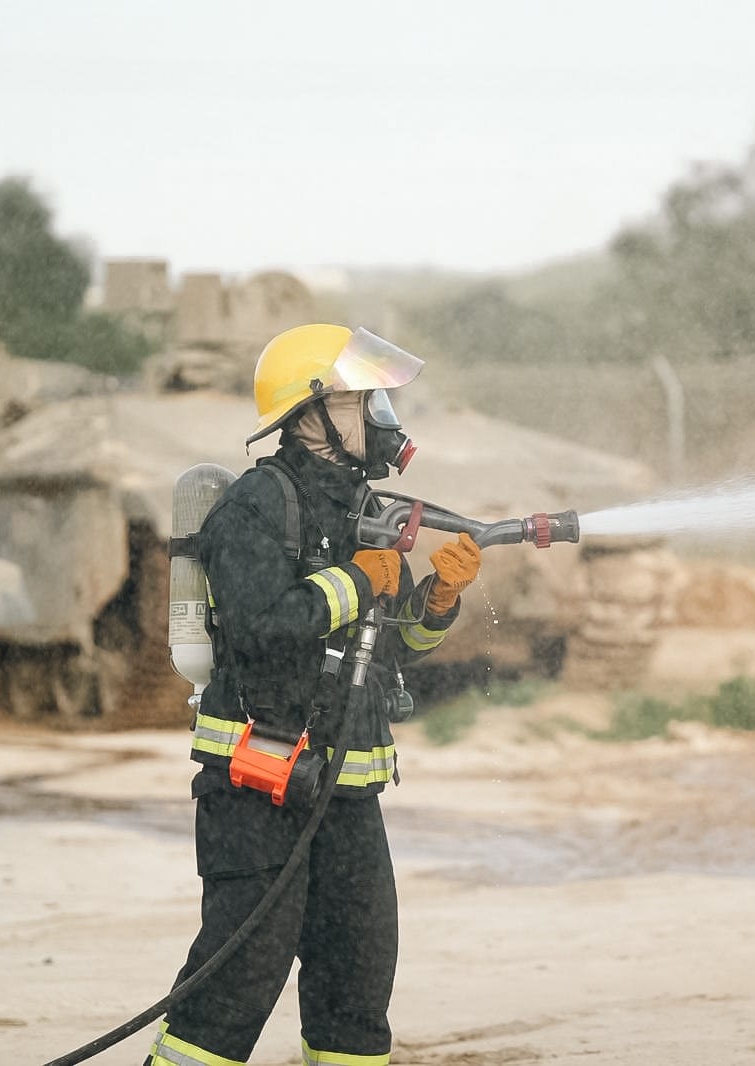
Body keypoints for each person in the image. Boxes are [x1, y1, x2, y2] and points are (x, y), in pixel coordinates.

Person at [147, 324, 482, 1066]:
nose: (383, 418)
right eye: (364, 401)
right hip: (258, 783)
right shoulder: (255, 506)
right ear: (311, 413)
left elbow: (386, 651)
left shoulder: (363, 510)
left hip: (346, 794)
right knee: (236, 983)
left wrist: (435, 603)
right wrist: (358, 579)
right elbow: (263, 627)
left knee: (357, 985)